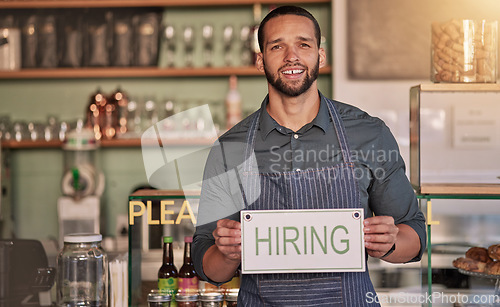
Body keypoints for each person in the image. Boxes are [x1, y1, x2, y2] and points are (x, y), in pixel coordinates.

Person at [193, 5, 426, 306]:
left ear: (321, 55)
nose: (292, 56)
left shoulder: (369, 134)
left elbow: (415, 233)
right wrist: (226, 254)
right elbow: (205, 262)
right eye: (278, 46)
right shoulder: (230, 149)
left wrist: (390, 242)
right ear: (260, 60)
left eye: (304, 44)